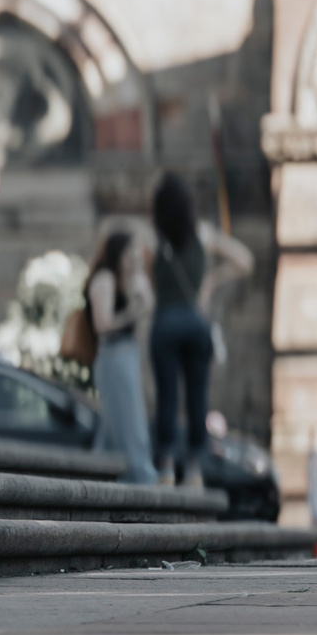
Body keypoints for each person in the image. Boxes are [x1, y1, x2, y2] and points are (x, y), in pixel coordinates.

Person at [149, 173, 253, 485]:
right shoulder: (204, 234)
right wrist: (210, 281)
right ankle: (194, 470)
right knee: (198, 397)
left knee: (167, 395)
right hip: (196, 323)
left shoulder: (154, 243)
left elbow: (149, 283)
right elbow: (244, 259)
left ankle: (166, 465)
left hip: (165, 322)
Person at [87, 228, 158, 486]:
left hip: (127, 354)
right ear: (119, 253)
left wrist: (138, 279)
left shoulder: (125, 279)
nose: (134, 257)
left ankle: (99, 479)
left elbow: (148, 303)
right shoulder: (104, 279)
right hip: (113, 356)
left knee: (113, 427)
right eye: (129, 252)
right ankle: (143, 477)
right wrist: (131, 312)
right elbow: (102, 324)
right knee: (129, 421)